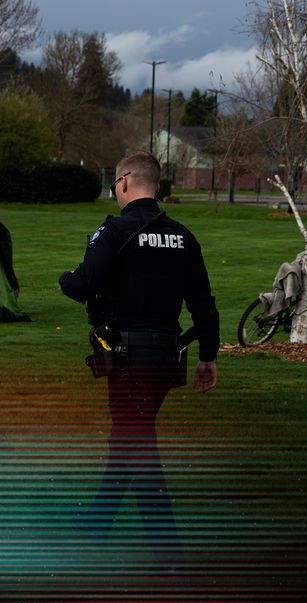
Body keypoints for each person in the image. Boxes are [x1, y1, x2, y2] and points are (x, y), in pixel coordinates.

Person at [59, 151, 219, 566]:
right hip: (166, 360)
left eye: (114, 184)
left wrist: (65, 280)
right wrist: (209, 357)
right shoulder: (183, 236)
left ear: (126, 182)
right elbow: (203, 304)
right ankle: (97, 521)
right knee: (129, 440)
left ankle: (170, 557)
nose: (115, 191)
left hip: (128, 358)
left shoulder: (114, 232)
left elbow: (84, 285)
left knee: (139, 448)